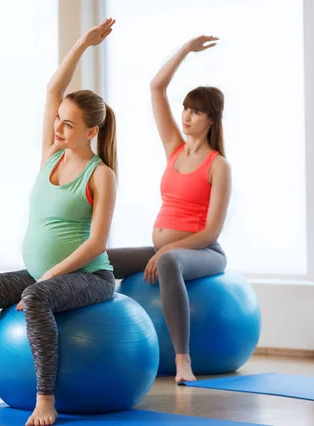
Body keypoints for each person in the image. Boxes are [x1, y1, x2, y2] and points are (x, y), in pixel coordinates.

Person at [0, 18, 118, 426]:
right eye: (58, 119)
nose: (58, 126)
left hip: (89, 277)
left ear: (91, 131)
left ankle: (45, 399)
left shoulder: (100, 174)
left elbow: (96, 243)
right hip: (40, 273)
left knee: (36, 298)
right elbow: (53, 90)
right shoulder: (50, 156)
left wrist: (48, 277)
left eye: (68, 123)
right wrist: (82, 44)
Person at [107, 35, 231, 383]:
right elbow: (156, 88)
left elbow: (211, 233)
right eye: (186, 109)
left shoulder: (218, 165)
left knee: (167, 260)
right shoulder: (175, 149)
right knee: (100, 258)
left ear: (211, 119)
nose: (188, 116)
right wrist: (185, 51)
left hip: (204, 251)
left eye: (197, 112)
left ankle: (182, 360)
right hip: (165, 249)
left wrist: (168, 250)